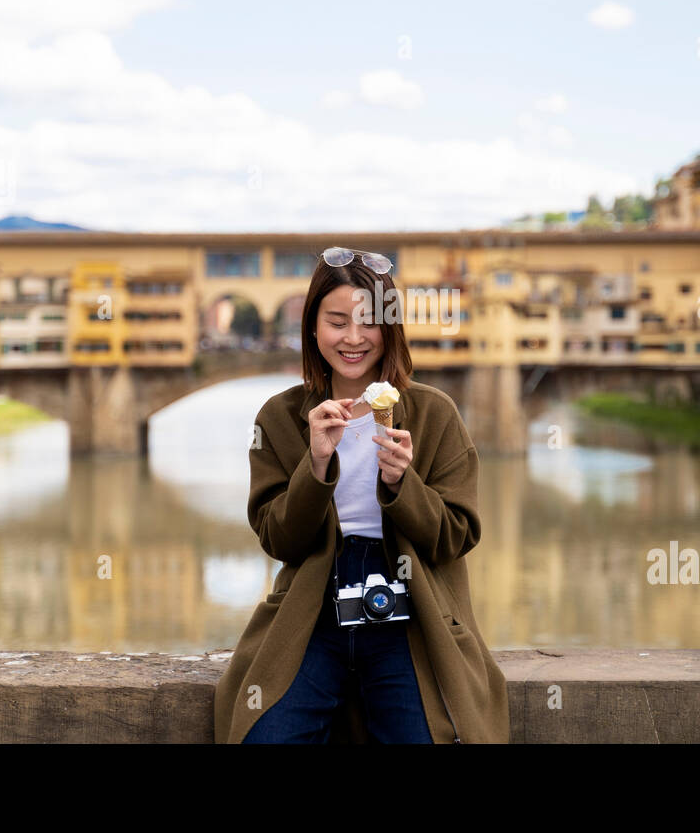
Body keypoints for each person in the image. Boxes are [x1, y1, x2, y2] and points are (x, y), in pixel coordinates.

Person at [213, 246, 509, 743]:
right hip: (313, 611)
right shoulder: (281, 418)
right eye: (336, 322)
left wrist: (401, 484)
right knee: (264, 735)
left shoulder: (435, 414)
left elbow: (456, 537)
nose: (353, 338)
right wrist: (317, 464)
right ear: (312, 328)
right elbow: (278, 540)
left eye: (369, 322)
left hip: (411, 614)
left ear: (390, 328)